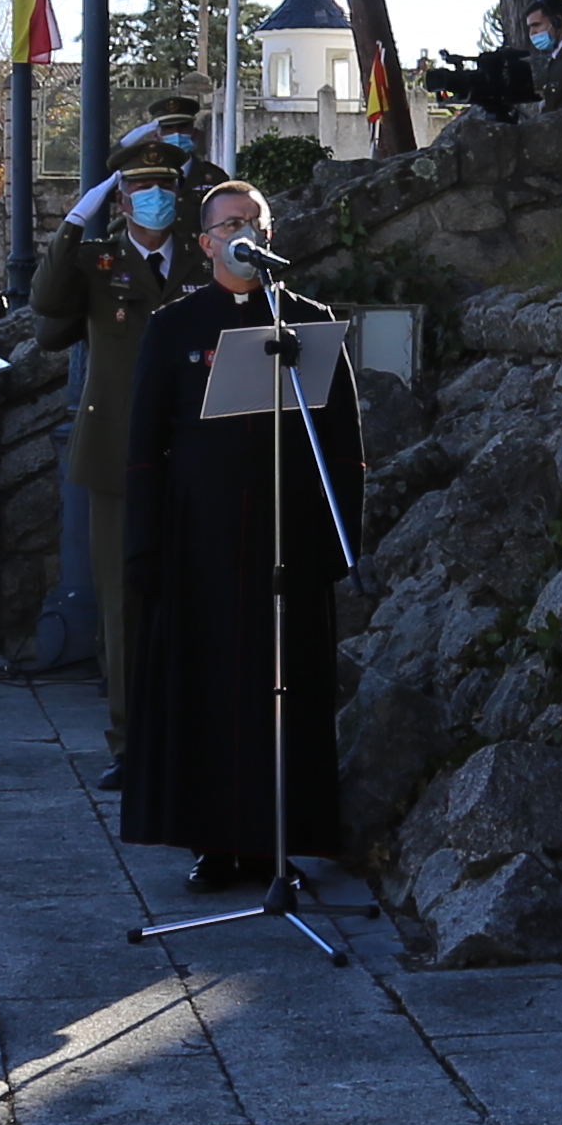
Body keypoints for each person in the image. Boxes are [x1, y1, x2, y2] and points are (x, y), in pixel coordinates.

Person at [118, 183, 362, 891]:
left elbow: (341, 443)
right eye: (230, 224)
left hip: (288, 542)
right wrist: (144, 545)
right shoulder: (174, 327)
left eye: (255, 222)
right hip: (204, 542)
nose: (244, 233)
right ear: (205, 243)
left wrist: (340, 537)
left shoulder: (307, 323)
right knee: (211, 689)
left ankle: (279, 841)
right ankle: (216, 843)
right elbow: (143, 446)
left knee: (286, 687)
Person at [29, 109, 218, 749]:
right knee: (121, 599)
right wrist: (75, 222)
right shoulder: (96, 259)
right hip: (115, 450)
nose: (154, 197)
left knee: (197, 591)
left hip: (195, 444)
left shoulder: (200, 256)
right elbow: (47, 308)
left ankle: (191, 727)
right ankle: (130, 738)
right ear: (123, 198)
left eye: (164, 186)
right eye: (140, 188)